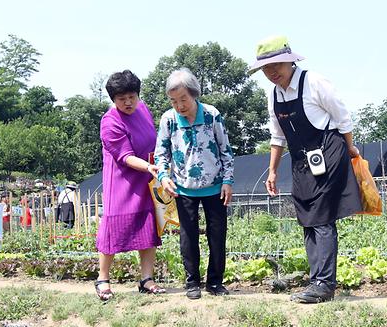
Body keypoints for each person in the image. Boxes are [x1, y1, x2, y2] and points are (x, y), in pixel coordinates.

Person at [251, 36, 362, 303]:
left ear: (290, 60)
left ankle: (324, 284)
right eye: (266, 68)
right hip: (301, 159)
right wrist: (273, 171)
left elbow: (342, 117)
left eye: (276, 65)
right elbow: (277, 137)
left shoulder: (314, 82)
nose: (272, 72)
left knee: (322, 215)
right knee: (307, 215)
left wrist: (350, 148)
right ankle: (317, 280)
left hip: (329, 150)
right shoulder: (274, 95)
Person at [155, 68, 235, 299]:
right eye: (173, 101)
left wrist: (228, 180)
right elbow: (161, 153)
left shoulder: (211, 115)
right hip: (183, 188)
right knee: (188, 236)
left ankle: (215, 282)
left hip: (215, 186)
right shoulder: (168, 119)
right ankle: (192, 283)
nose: (179, 105)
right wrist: (164, 176)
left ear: (194, 94)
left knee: (217, 235)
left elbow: (225, 150)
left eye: (183, 99)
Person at [95, 70, 165, 301]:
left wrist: (155, 166)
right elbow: (124, 156)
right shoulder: (110, 122)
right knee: (114, 228)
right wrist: (147, 166)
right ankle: (103, 278)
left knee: (148, 226)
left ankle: (146, 279)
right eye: (121, 98)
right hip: (122, 182)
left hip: (146, 178)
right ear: (113, 100)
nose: (128, 102)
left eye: (132, 96)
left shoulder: (143, 109)